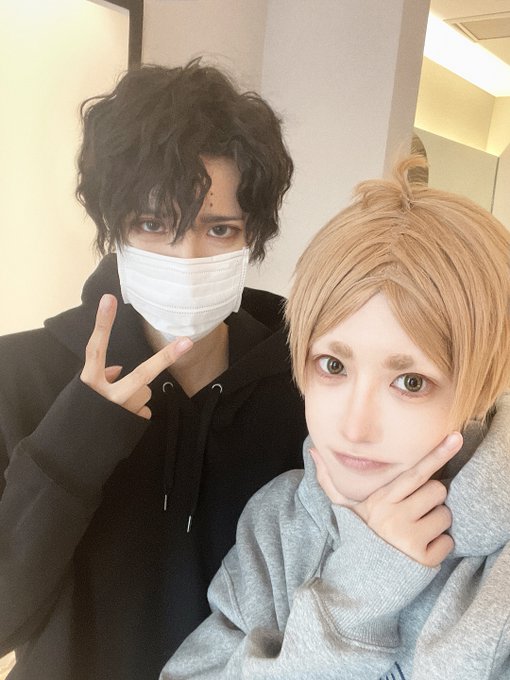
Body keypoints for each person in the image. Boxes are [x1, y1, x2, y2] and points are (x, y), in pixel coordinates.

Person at [0, 60, 307, 680]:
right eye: (153, 224)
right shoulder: (20, 375)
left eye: (219, 228)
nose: (186, 255)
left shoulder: (304, 386)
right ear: (113, 228)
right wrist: (75, 442)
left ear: (251, 236)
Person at [161, 155, 510, 680]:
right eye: (333, 365)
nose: (353, 427)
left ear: (482, 384)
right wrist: (357, 597)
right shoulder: (280, 521)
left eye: (410, 382)